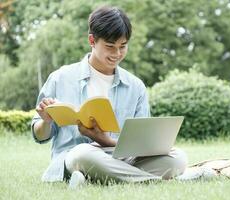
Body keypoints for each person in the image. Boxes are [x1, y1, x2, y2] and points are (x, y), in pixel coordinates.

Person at [31, 5, 188, 187]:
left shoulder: (135, 86)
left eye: (123, 46)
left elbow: (142, 144)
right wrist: (46, 121)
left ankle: (94, 179)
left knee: (177, 158)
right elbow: (40, 135)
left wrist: (106, 141)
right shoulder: (61, 78)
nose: (117, 54)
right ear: (92, 40)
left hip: (122, 159)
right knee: (81, 153)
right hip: (77, 157)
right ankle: (147, 180)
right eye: (110, 46)